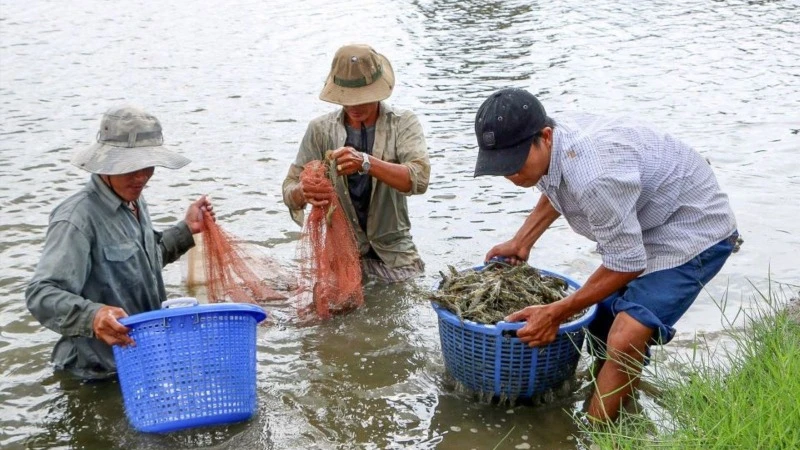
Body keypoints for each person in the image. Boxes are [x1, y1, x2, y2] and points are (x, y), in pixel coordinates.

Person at [473, 88, 738, 421]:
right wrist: (522, 241)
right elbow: (558, 187)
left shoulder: (595, 175)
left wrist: (555, 312)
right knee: (600, 324)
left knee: (626, 335)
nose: (510, 175)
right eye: (500, 166)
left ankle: (596, 434)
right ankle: (620, 403)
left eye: (514, 163)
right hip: (646, 218)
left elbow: (626, 263)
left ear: (545, 136)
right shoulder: (553, 152)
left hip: (692, 229)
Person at [26, 105, 215, 380]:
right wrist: (93, 316)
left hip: (139, 358)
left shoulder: (134, 200)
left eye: (147, 166)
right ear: (106, 165)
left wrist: (186, 229)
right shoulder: (76, 219)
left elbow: (143, 262)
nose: (141, 177)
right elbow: (41, 294)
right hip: (93, 373)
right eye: (130, 167)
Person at [282, 44, 430, 283]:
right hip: (340, 257)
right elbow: (289, 190)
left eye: (362, 99)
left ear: (378, 92)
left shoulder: (403, 123)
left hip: (395, 256)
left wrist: (366, 162)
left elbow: (419, 179)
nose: (354, 106)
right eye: (348, 99)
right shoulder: (320, 130)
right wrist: (303, 191)